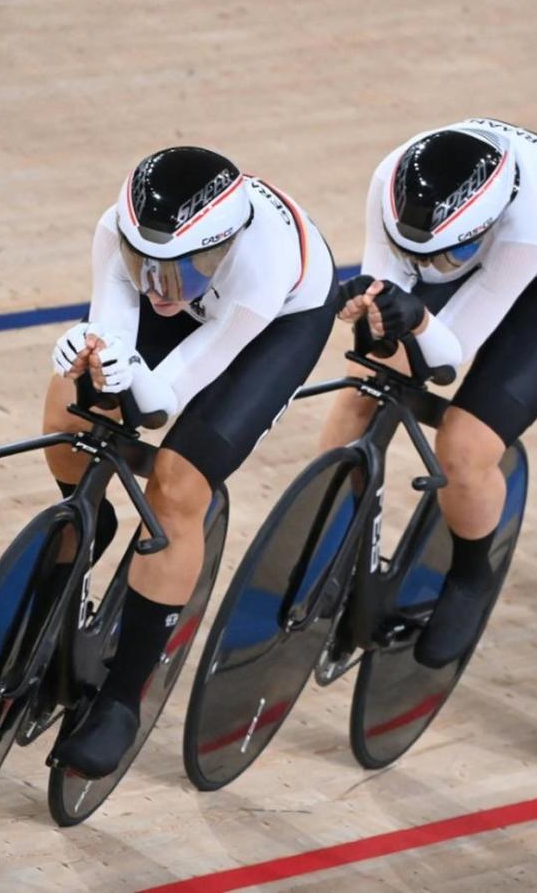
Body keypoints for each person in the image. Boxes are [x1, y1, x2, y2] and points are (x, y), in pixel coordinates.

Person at [45, 146, 338, 776]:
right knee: (67, 411)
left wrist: (129, 377)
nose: (158, 287)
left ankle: (124, 698)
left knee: (179, 485)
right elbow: (114, 338)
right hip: (205, 301)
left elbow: (162, 401)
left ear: (223, 247)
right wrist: (88, 355)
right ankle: (87, 527)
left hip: (274, 326)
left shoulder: (263, 266)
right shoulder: (117, 232)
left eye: (179, 269)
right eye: (143, 265)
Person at [323, 118, 537, 668]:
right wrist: (373, 306)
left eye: (439, 262)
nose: (429, 271)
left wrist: (416, 317)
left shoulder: (529, 218)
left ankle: (471, 573)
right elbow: (388, 304)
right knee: (362, 391)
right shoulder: (390, 179)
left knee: (464, 445)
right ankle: (325, 537)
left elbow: (447, 357)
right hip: (456, 243)